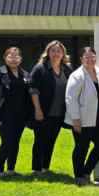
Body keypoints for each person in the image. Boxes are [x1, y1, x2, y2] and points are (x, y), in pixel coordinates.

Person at [65, 47, 99, 186]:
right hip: (82, 120)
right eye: (86, 57)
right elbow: (70, 98)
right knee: (81, 147)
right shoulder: (77, 75)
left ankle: (86, 171)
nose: (90, 59)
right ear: (81, 59)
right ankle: (79, 175)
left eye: (93, 56)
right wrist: (76, 119)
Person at [29, 40, 74, 176]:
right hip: (43, 112)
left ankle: (46, 166)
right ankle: (37, 169)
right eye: (53, 50)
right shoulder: (40, 68)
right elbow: (33, 89)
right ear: (48, 53)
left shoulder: (67, 69)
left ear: (63, 53)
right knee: (40, 140)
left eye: (59, 51)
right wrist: (37, 109)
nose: (56, 53)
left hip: (60, 112)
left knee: (51, 140)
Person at [0, 47, 30, 177]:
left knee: (15, 142)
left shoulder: (25, 74)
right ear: (5, 58)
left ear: (21, 59)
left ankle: (11, 169)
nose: (13, 59)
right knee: (8, 142)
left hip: (21, 115)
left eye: (16, 57)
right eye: (10, 56)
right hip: (5, 115)